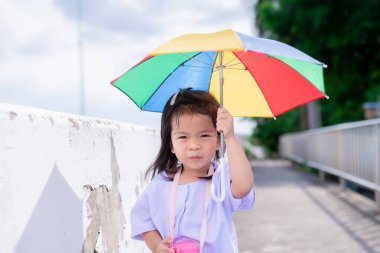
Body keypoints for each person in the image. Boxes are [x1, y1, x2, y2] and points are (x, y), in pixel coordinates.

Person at [130, 88, 255, 253]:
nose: (194, 145)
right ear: (170, 144)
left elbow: (244, 186)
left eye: (204, 135)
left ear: (218, 140)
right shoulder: (162, 183)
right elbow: (144, 220)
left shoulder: (220, 181)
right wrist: (156, 246)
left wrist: (230, 136)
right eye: (183, 137)